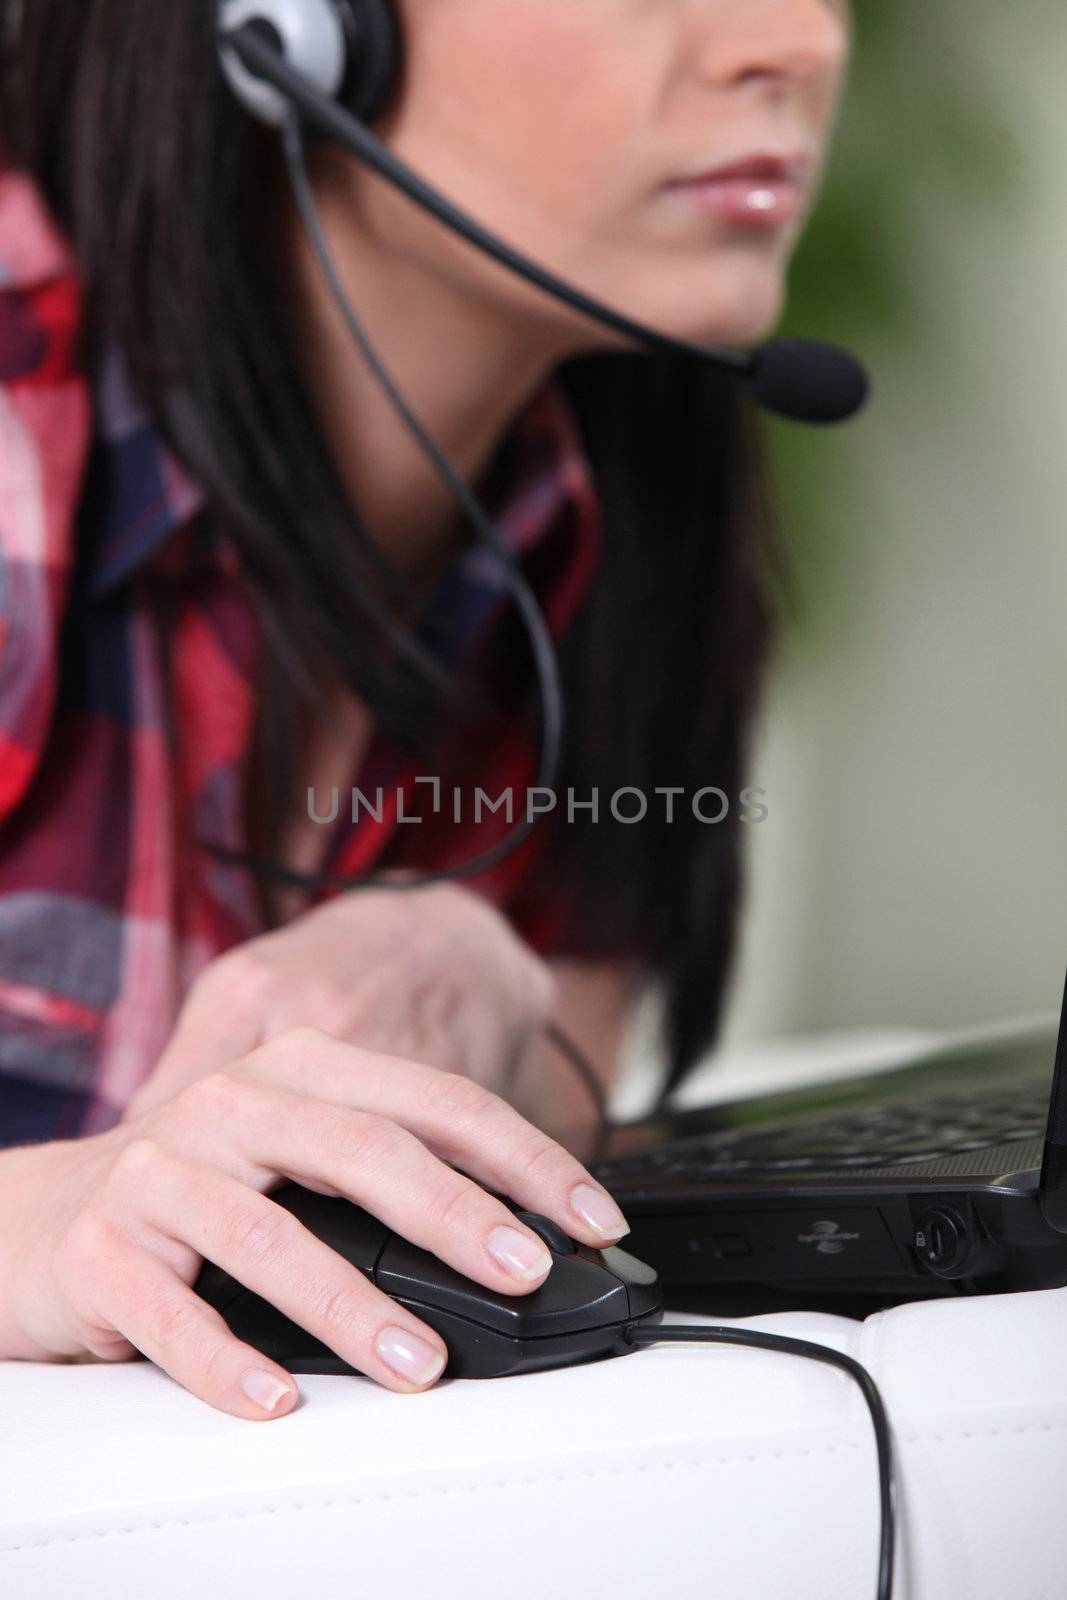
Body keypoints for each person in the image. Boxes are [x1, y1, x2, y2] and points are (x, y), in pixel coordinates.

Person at [0, 0, 852, 1417]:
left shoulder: (601, 513)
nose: (794, 44)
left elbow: (559, 1093)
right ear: (297, 25)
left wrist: (482, 963)